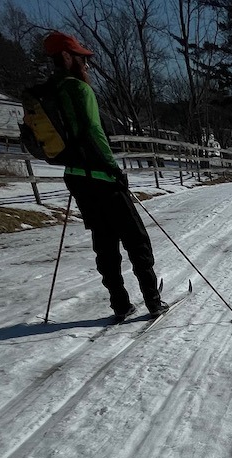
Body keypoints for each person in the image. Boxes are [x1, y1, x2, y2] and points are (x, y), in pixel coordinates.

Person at [42, 31, 167, 320]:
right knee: (136, 238)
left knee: (105, 240)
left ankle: (120, 305)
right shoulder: (78, 89)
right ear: (66, 57)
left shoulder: (50, 92)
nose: (86, 64)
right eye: (81, 58)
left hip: (75, 177)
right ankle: (153, 301)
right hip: (101, 176)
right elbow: (93, 132)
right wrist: (114, 169)